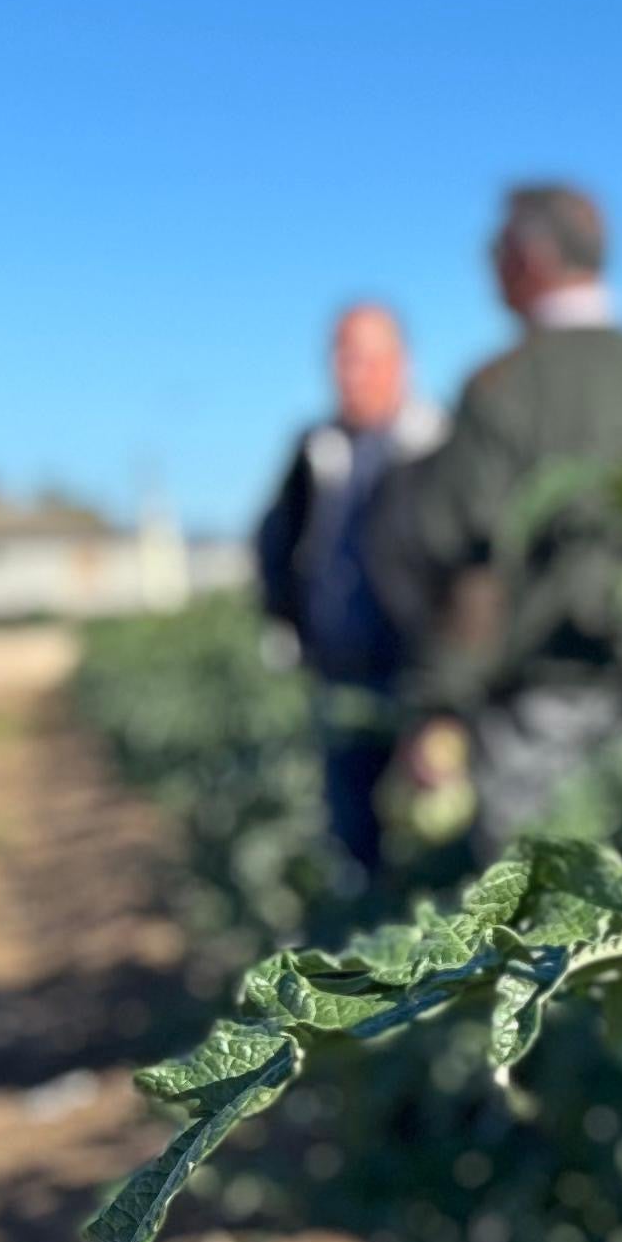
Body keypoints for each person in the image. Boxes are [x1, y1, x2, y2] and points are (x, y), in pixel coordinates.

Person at [373, 181, 622, 847]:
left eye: (494, 249)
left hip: (536, 713)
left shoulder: (505, 387)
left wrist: (437, 706)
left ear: (528, 258)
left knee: (537, 923)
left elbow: (465, 558)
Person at [251, 299, 443, 877]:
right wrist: (285, 619)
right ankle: (361, 944)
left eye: (362, 357)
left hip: (422, 678)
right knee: (352, 830)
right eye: (338, 357)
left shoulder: (437, 443)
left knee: (433, 829)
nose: (346, 372)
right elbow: (274, 539)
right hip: (340, 669)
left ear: (400, 363)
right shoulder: (317, 448)